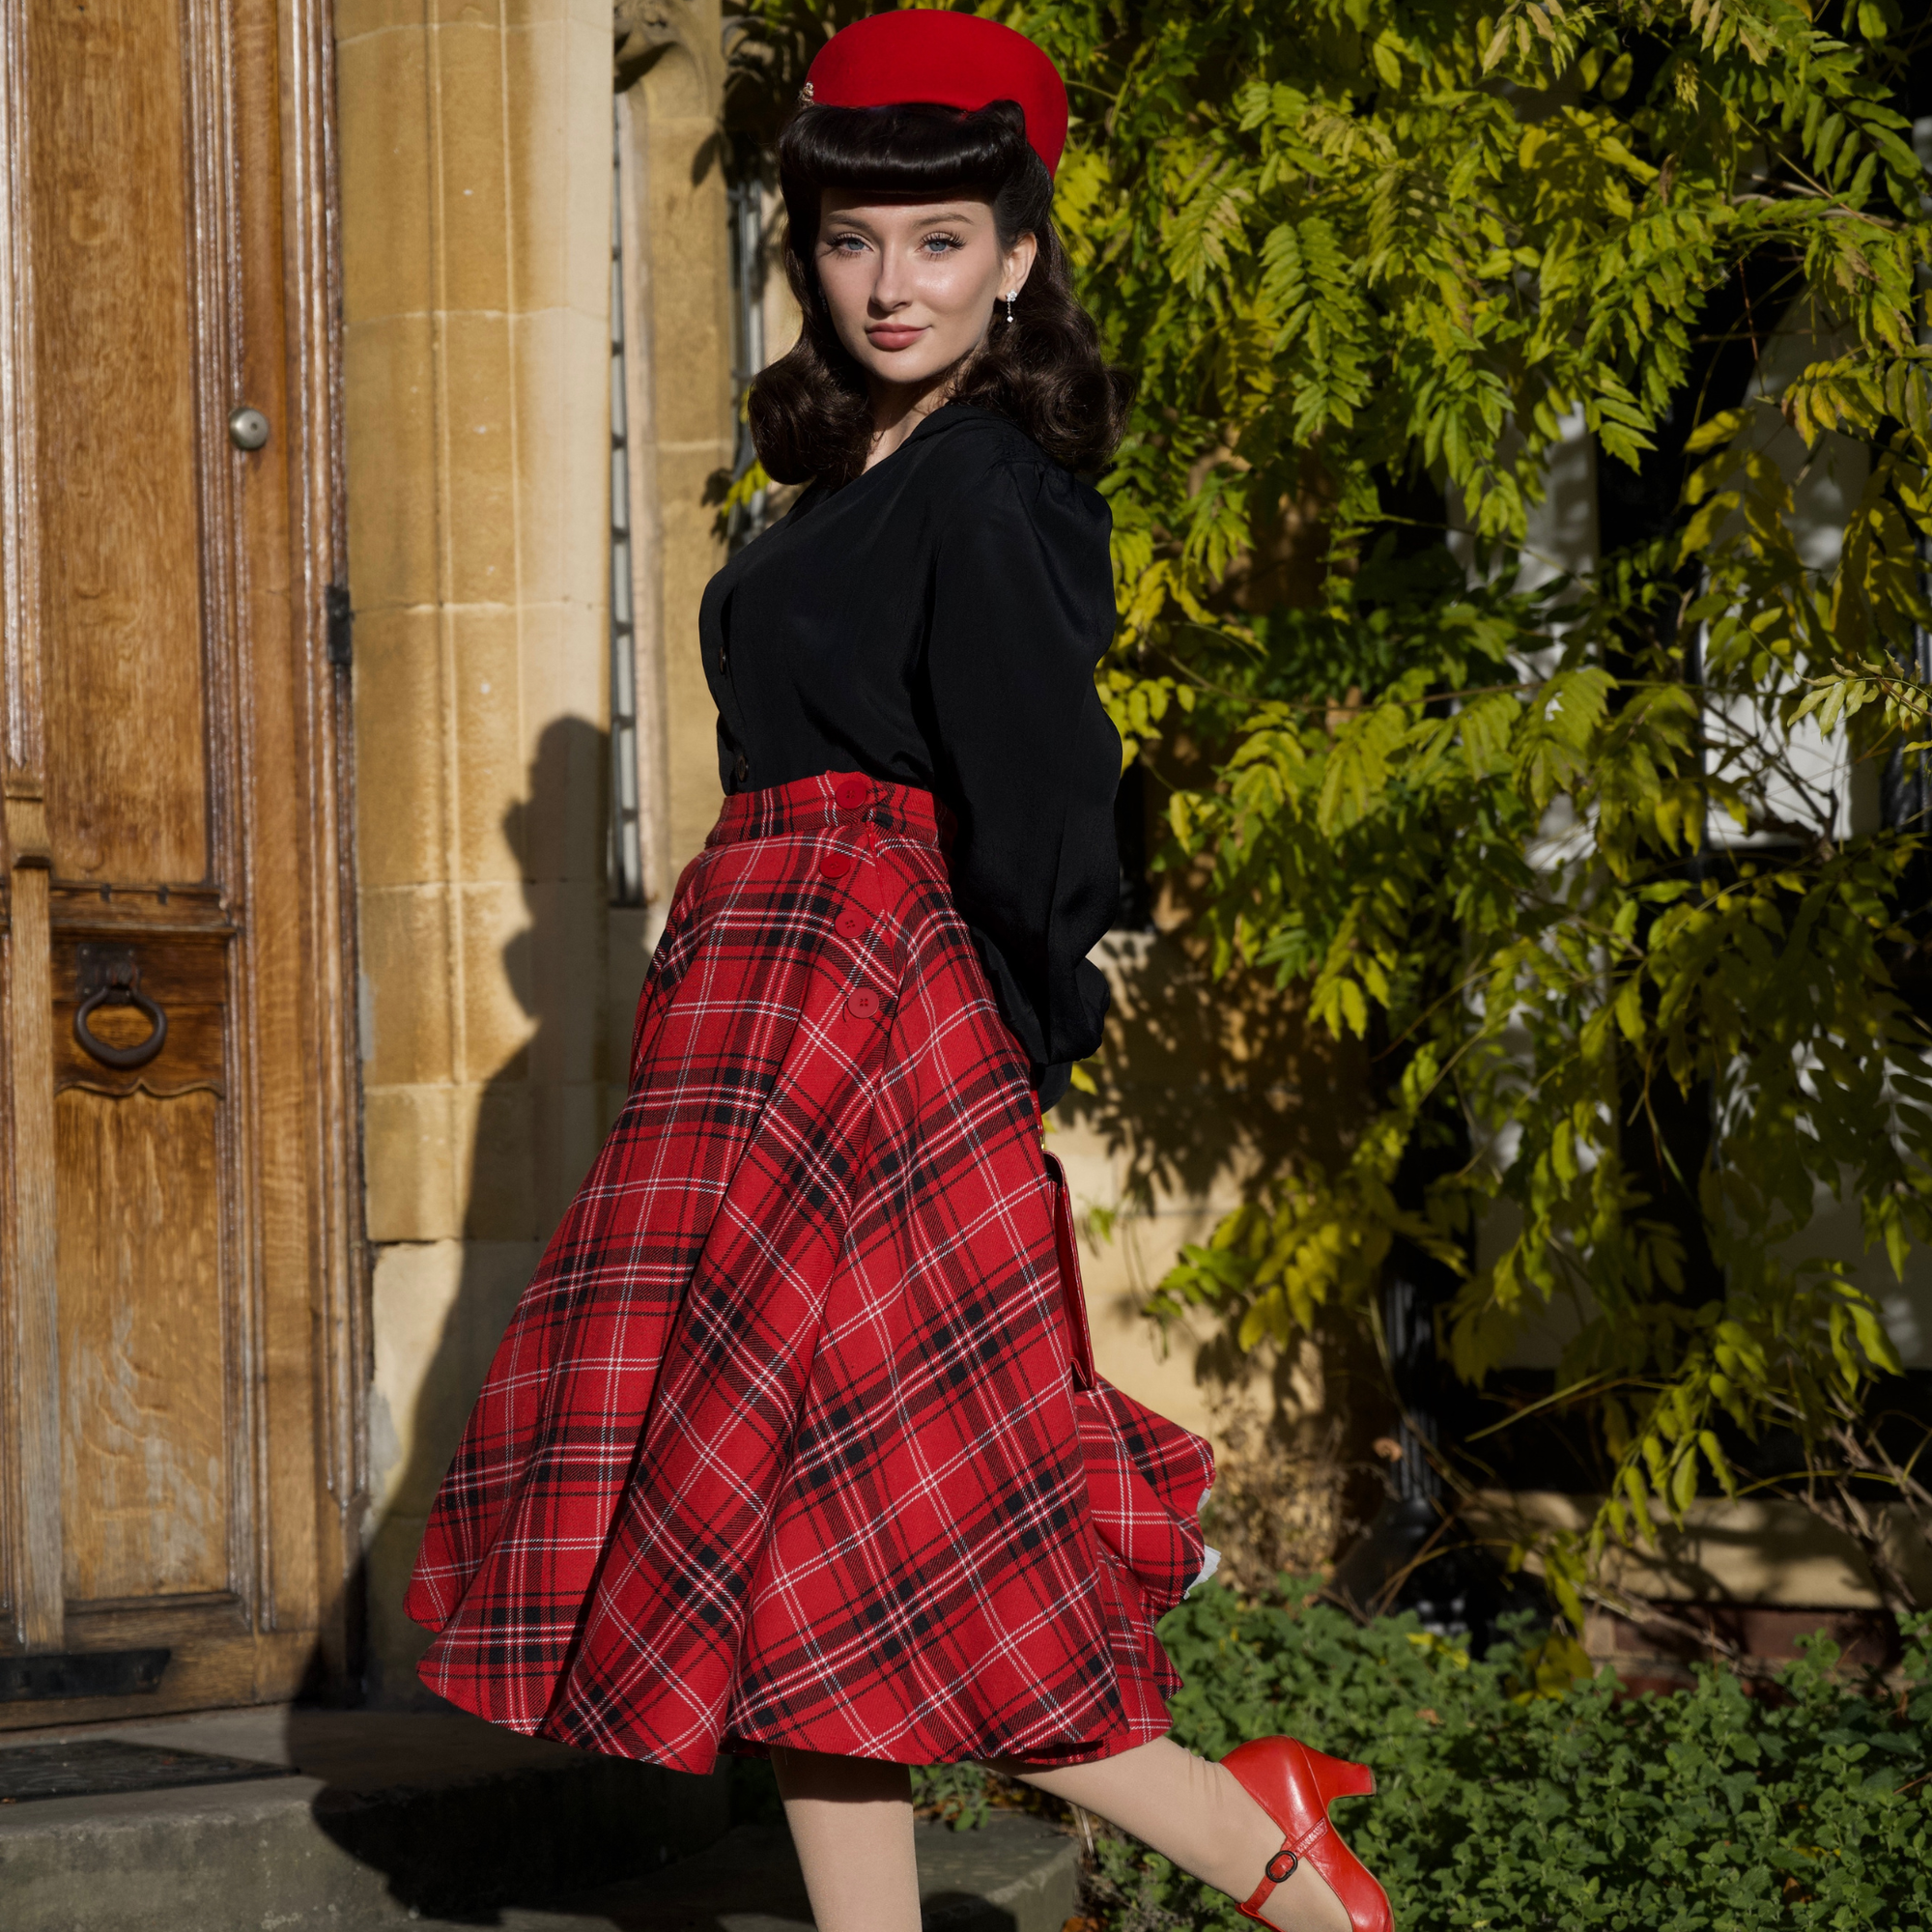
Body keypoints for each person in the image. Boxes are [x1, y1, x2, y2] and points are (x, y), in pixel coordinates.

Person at [405, 13, 1393, 1932]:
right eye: (852, 240)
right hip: (758, 1010)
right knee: (793, 1536)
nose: (889, 284)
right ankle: (1229, 1843)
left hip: (878, 1025)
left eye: (937, 240)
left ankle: (1271, 1862)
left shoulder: (995, 484)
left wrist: (1013, 1036)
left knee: (900, 1536)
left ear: (1017, 252)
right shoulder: (851, 468)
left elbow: (1051, 801)